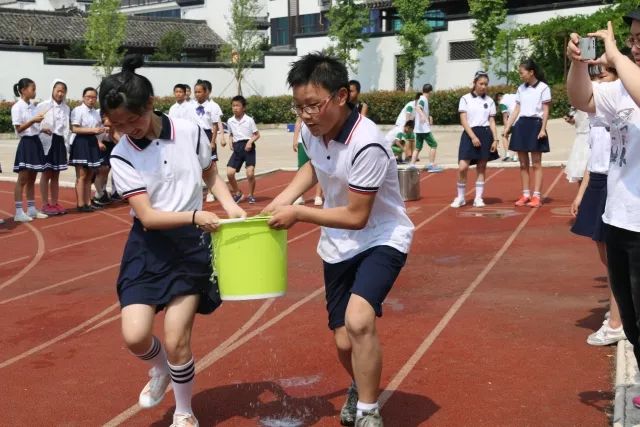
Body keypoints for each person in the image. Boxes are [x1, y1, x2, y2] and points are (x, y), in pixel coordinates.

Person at [264, 52, 414, 427]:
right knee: (344, 342)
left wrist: (297, 213)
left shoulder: (368, 143)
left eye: (313, 105)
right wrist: (283, 198)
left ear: (342, 96)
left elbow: (356, 215)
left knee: (360, 321)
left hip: (380, 237)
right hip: (337, 245)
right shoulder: (316, 132)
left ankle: (368, 410)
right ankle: (359, 385)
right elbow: (313, 167)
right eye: (299, 107)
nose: (306, 115)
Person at [103, 55, 245, 427]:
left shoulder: (189, 130)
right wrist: (198, 215)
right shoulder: (121, 155)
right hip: (148, 245)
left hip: (189, 248)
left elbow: (210, 174)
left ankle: (184, 412)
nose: (126, 130)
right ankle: (160, 370)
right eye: (116, 124)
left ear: (150, 104)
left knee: (176, 337)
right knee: (135, 335)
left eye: (131, 120)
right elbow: (147, 216)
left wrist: (231, 206)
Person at [567, 14, 640, 407]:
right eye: (630, 39)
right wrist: (579, 65)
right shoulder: (620, 90)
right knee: (631, 319)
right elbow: (583, 99)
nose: (634, 45)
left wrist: (612, 51)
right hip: (620, 219)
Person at [570, 64, 625, 347]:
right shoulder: (594, 116)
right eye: (595, 74)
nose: (598, 77)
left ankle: (617, 322)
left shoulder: (618, 112)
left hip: (614, 183)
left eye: (605, 72)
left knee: (615, 260)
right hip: (597, 184)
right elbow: (594, 159)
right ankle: (620, 311)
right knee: (606, 257)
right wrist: (581, 194)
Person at [503, 59, 551, 208]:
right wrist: (507, 127)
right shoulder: (520, 89)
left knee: (536, 163)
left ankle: (536, 196)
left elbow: (545, 110)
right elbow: (516, 109)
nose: (520, 75)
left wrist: (543, 128)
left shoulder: (543, 88)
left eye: (521, 72)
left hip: (536, 125)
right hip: (521, 125)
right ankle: (525, 194)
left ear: (531, 72)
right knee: (523, 164)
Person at [450, 71, 499, 209]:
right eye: (481, 83)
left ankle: (478, 198)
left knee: (481, 167)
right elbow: (463, 120)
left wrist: (495, 139)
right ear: (475, 83)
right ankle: (460, 197)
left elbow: (492, 121)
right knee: (462, 167)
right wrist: (472, 136)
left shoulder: (489, 101)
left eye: (486, 84)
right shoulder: (465, 99)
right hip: (469, 133)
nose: (483, 87)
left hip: (485, 134)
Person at [11, 78, 48, 222]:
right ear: (23, 90)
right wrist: (33, 121)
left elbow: (34, 127)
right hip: (26, 144)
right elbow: (19, 129)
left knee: (32, 178)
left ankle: (31, 209)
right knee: (23, 179)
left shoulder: (33, 107)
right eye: (33, 88)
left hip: (35, 142)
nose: (35, 91)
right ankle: (19, 212)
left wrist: (42, 128)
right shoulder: (17, 107)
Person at [70, 87, 106, 212]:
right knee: (82, 175)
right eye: (88, 97)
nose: (91, 100)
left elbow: (97, 128)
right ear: (83, 97)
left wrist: (100, 133)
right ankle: (80, 204)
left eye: (93, 97)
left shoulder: (96, 113)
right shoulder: (77, 110)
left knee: (90, 174)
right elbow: (74, 129)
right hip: (81, 142)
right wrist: (93, 130)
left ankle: (87, 202)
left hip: (92, 142)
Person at [38, 79, 70, 216]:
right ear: (52, 90)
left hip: (59, 141)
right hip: (47, 141)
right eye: (58, 90)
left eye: (63, 91)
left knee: (56, 174)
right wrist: (42, 128)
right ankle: (45, 204)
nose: (60, 93)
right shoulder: (43, 105)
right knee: (46, 173)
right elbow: (35, 124)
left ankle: (55, 203)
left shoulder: (66, 108)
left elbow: (67, 128)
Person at [226, 95, 260, 204]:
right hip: (237, 148)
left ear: (243, 108)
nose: (235, 108)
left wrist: (250, 142)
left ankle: (251, 195)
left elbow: (257, 135)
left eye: (237, 106)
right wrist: (230, 141)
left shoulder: (249, 120)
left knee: (250, 173)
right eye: (233, 106)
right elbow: (231, 134)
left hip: (248, 147)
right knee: (230, 173)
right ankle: (238, 193)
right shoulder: (230, 121)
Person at [410, 83, 442, 172]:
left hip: (418, 129)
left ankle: (412, 164)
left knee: (418, 148)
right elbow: (418, 108)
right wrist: (423, 117)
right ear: (430, 92)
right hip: (424, 129)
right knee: (434, 144)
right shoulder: (423, 99)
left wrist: (427, 117)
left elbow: (420, 109)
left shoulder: (422, 99)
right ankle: (431, 165)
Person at [292, 117, 324, 206]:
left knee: (320, 168)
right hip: (302, 141)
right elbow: (298, 122)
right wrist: (295, 138)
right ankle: (300, 196)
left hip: (319, 140)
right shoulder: (302, 107)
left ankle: (318, 196)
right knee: (301, 168)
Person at [92, 109, 116, 206]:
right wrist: (98, 143)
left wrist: (111, 131)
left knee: (106, 170)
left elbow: (114, 136)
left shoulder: (116, 114)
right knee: (102, 169)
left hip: (110, 144)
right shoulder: (97, 115)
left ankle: (103, 192)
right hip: (100, 144)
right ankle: (99, 194)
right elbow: (93, 133)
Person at [564, 106, 591, 184]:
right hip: (580, 139)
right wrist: (569, 120)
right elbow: (573, 120)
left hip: (591, 136)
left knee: (590, 169)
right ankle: (583, 195)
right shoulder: (574, 105)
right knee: (578, 170)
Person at [495, 92, 518, 161]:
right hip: (523, 118)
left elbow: (505, 117)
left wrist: (506, 128)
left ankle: (508, 154)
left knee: (504, 135)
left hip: (514, 119)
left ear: (498, 98)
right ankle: (516, 156)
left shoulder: (502, 102)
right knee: (517, 137)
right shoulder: (514, 95)